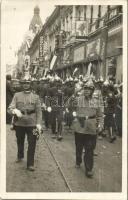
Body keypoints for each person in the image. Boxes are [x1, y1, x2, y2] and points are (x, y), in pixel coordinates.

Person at [8, 75, 42, 171]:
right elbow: (10, 108)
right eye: (24, 83)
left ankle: (30, 164)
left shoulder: (36, 97)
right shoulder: (17, 95)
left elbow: (39, 111)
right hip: (19, 123)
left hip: (32, 123)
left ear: (30, 84)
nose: (26, 85)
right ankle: (20, 155)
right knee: (20, 140)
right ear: (22, 84)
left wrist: (39, 124)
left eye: (28, 83)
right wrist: (14, 110)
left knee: (32, 143)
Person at [72, 78, 103, 178]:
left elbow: (100, 115)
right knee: (79, 146)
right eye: (85, 89)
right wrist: (75, 93)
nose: (87, 91)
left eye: (89, 89)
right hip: (80, 127)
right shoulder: (78, 99)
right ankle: (78, 160)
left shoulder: (97, 101)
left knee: (89, 149)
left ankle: (88, 169)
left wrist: (100, 124)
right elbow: (68, 105)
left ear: (92, 91)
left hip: (91, 128)